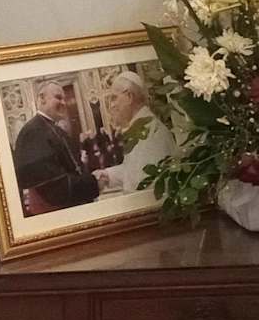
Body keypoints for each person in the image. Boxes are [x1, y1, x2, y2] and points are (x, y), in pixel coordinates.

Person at [10, 80, 99, 215]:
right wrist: (92, 182)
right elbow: (54, 189)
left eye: (64, 98)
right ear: (42, 98)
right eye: (58, 97)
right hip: (55, 212)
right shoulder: (34, 132)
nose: (63, 103)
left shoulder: (51, 128)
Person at [93, 70, 174, 195]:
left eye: (114, 98)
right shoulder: (140, 127)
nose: (111, 106)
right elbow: (133, 170)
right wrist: (107, 175)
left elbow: (146, 187)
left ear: (129, 97)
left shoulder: (151, 131)